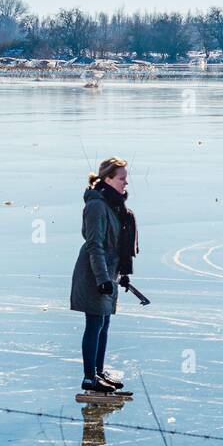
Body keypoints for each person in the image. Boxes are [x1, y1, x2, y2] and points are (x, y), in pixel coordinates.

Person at [70, 157, 139, 395]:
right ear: (108, 179)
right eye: (121, 179)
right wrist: (101, 280)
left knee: (104, 323)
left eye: (126, 179)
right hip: (94, 272)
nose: (125, 183)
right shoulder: (97, 205)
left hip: (108, 271)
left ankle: (99, 372)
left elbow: (117, 243)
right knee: (94, 323)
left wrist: (121, 273)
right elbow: (95, 246)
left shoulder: (113, 204)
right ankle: (90, 378)